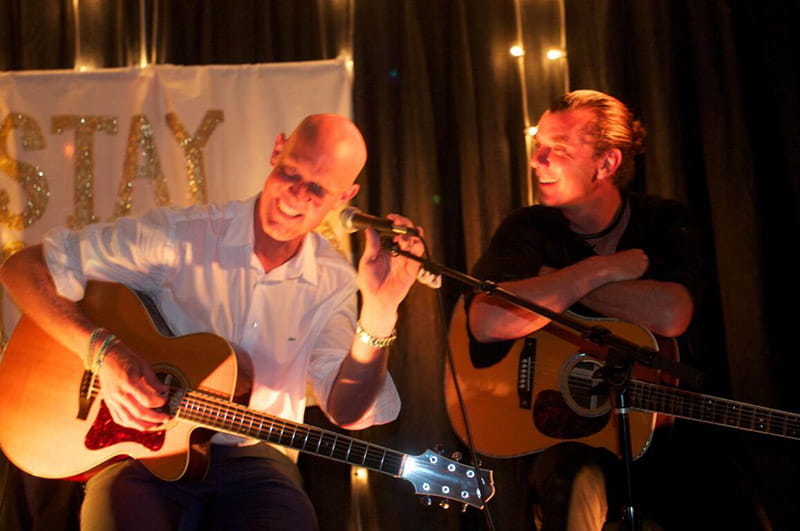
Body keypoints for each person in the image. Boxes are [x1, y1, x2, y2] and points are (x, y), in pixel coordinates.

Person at [0, 113, 424, 531]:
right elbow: (22, 269)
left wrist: (382, 308)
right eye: (289, 172)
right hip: (142, 458)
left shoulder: (332, 282)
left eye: (316, 188)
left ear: (344, 197)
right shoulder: (179, 236)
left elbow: (347, 411)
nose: (295, 194)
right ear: (276, 151)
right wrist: (104, 355)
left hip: (256, 462)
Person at [465, 90, 701, 530]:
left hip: (666, 445)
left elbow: (671, 315)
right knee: (566, 479)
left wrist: (553, 285)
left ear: (607, 163)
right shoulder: (527, 226)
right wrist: (598, 271)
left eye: (558, 150)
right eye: (538, 146)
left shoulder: (662, 219)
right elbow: (487, 319)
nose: (538, 160)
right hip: (563, 441)